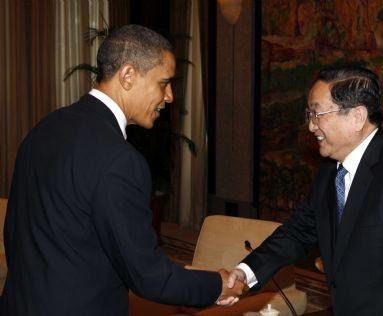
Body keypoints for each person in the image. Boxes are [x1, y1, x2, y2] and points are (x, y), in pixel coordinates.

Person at [1, 25, 243, 316]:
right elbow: (150, 277)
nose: (170, 97)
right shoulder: (120, 160)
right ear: (128, 76)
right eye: (164, 83)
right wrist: (217, 284)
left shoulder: (44, 129)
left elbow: (23, 233)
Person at [223, 66, 383, 315]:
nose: (311, 126)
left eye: (318, 114)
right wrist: (245, 272)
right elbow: (298, 231)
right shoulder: (330, 170)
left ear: (357, 117)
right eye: (309, 114)